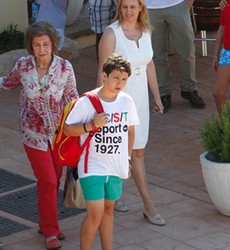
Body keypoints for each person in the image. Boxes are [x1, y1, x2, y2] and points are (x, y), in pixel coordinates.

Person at [0, 21, 78, 250]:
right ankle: (51, 231)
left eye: (45, 44)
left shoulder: (65, 68)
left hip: (59, 135)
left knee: (54, 181)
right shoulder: (23, 65)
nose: (42, 49)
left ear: (53, 45)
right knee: (49, 180)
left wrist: (81, 126)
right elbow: (9, 82)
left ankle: (46, 223)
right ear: (30, 47)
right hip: (33, 134)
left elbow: (72, 98)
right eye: (36, 45)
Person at [97, 0, 166, 225]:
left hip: (140, 99)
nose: (128, 11)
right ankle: (148, 204)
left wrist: (156, 97)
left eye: (133, 7)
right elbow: (102, 72)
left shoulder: (146, 31)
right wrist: (100, 105)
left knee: (137, 151)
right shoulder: (111, 34)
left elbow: (149, 65)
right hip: (117, 100)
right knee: (121, 150)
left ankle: (114, 196)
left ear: (141, 8)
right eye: (124, 6)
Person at [64, 54, 139, 250]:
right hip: (91, 166)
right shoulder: (87, 102)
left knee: (108, 210)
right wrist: (91, 125)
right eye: (116, 77)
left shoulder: (127, 101)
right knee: (95, 214)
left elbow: (130, 131)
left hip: (115, 166)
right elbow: (67, 129)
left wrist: (128, 159)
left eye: (124, 79)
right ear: (104, 76)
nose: (120, 83)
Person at [144, 0, 206, 112]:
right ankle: (163, 93)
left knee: (187, 51)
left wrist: (187, 3)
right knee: (156, 54)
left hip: (178, 5)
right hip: (149, 8)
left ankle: (189, 89)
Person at [212, 2, 230, 115]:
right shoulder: (226, 3)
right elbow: (222, 27)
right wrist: (215, 54)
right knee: (218, 92)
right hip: (227, 52)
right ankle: (226, 127)